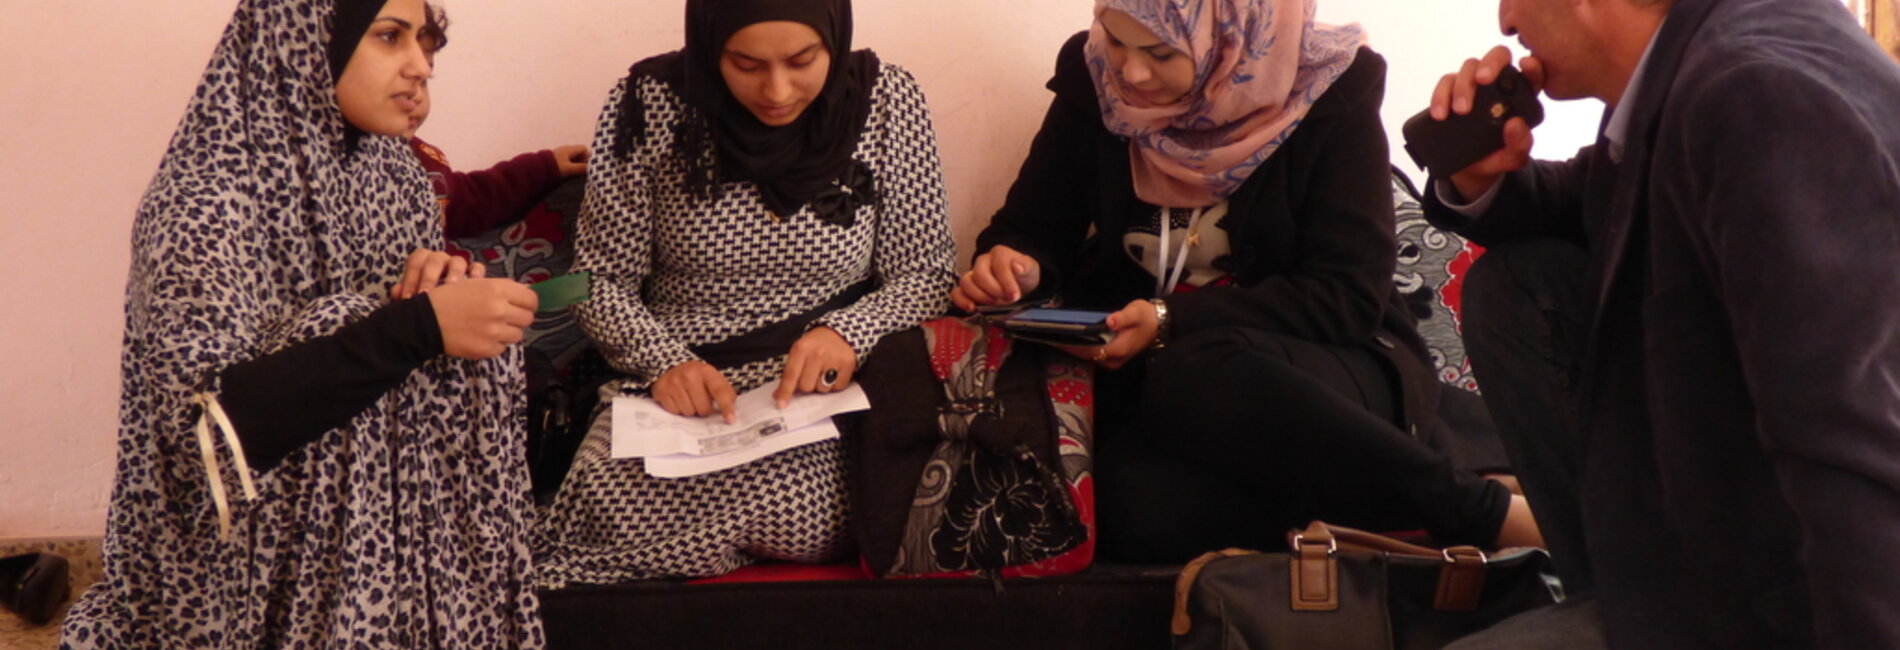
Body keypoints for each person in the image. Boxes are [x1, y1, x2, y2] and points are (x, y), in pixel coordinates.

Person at [954, 0, 1542, 564]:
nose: (1131, 72)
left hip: (1330, 363)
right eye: (1116, 40)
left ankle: (1477, 509)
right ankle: (1409, 488)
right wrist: (1017, 265)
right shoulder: (1097, 83)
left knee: (1193, 365)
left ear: (1231, 33)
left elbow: (1348, 297)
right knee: (1134, 509)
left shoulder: (1329, 88)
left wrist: (1169, 322)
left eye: (1159, 52)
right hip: (1164, 395)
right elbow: (1029, 229)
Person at [60, 0, 544, 647]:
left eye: (426, 42)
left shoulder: (394, 174)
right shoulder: (203, 203)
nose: (422, 66)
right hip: (224, 567)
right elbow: (202, 443)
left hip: (374, 534)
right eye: (390, 37)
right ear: (301, 42)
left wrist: (434, 279)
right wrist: (415, 328)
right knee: (349, 318)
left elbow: (393, 335)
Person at [1419, 0, 1900, 647]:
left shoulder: (1759, 94)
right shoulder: (1693, 62)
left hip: (1804, 599)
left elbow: (1852, 450)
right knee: (1518, 286)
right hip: (1725, 537)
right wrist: (1476, 178)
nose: (1506, 21)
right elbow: (1591, 203)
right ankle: (1611, 596)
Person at [530, 0, 956, 586]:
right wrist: (665, 364)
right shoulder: (648, 104)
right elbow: (598, 281)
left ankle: (669, 559)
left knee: (822, 500)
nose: (776, 89)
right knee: (606, 496)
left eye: (802, 60)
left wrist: (848, 332)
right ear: (709, 48)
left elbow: (928, 273)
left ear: (834, 39)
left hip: (827, 387)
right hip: (681, 387)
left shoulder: (886, 101)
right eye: (745, 63)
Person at [396, 5, 593, 247]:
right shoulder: (343, 177)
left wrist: (546, 166)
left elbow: (474, 200)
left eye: (424, 80)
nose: (414, 95)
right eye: (400, 76)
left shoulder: (427, 160)